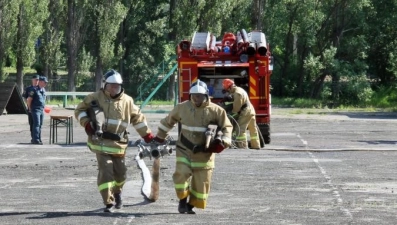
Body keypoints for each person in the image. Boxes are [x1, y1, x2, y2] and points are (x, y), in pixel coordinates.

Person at [74, 69, 156, 213]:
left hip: (119, 144)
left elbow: (138, 119)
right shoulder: (95, 97)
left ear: (120, 86)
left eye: (116, 86)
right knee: (106, 171)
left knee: (121, 174)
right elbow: (79, 110)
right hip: (100, 142)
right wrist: (87, 123)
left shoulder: (127, 101)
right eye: (111, 85)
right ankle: (108, 202)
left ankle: (117, 193)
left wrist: (147, 135)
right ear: (105, 85)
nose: (113, 88)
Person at [154, 79, 233, 214]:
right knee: (181, 175)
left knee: (202, 184)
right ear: (190, 95)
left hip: (205, 153)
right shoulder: (182, 108)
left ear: (206, 95)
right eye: (194, 95)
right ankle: (182, 200)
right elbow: (168, 121)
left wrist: (223, 141)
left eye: (200, 95)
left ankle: (191, 205)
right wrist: (159, 137)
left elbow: (227, 127)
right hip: (184, 149)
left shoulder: (217, 111)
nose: (196, 98)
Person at [222, 78, 260, 149]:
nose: (228, 92)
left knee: (240, 129)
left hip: (246, 112)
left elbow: (236, 108)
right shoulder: (239, 89)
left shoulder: (237, 93)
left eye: (227, 90)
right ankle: (256, 145)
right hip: (250, 110)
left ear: (230, 87)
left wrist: (230, 114)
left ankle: (242, 147)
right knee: (253, 129)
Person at [26, 76, 48, 145]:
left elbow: (43, 100)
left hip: (41, 109)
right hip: (35, 109)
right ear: (41, 82)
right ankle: (35, 139)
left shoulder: (43, 90)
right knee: (36, 124)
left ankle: (38, 138)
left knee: (40, 124)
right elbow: (29, 99)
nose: (46, 84)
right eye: (45, 82)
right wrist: (29, 108)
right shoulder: (34, 90)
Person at [22, 75, 40, 143]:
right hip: (30, 109)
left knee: (37, 124)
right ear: (32, 80)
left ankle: (37, 138)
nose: (36, 81)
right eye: (35, 80)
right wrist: (28, 105)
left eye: (38, 80)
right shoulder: (28, 88)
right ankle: (33, 138)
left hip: (37, 109)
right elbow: (24, 97)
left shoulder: (39, 88)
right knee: (32, 123)